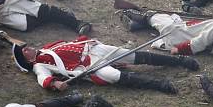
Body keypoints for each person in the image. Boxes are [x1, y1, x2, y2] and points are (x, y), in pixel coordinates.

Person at [12, 37, 199, 94]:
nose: (28, 48)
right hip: (89, 67)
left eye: (26, 46)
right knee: (113, 76)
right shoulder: (38, 65)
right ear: (27, 60)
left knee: (134, 55)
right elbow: (43, 79)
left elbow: (71, 43)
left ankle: (180, 61)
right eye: (25, 51)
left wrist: (85, 40)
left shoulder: (48, 45)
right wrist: (54, 84)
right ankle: (159, 85)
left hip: (95, 49)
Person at [119, 9, 213, 55]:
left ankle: (132, 15)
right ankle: (136, 24)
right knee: (160, 19)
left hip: (176, 33)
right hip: (182, 29)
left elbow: (198, 43)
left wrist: (179, 49)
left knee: (153, 16)